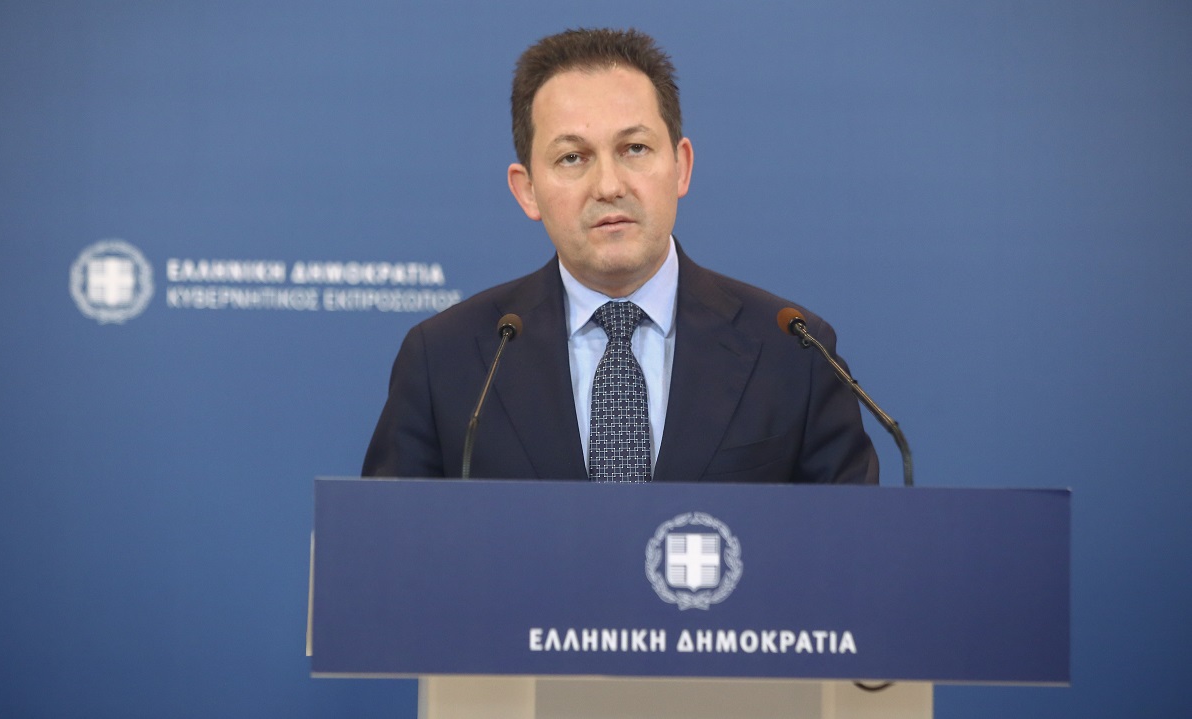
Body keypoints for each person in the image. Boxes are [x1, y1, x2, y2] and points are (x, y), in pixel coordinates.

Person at [362, 28, 878, 484]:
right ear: (528, 190)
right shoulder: (447, 359)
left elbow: (849, 546)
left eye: (634, 149)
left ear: (681, 166)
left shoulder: (794, 351)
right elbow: (389, 545)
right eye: (572, 157)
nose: (608, 185)